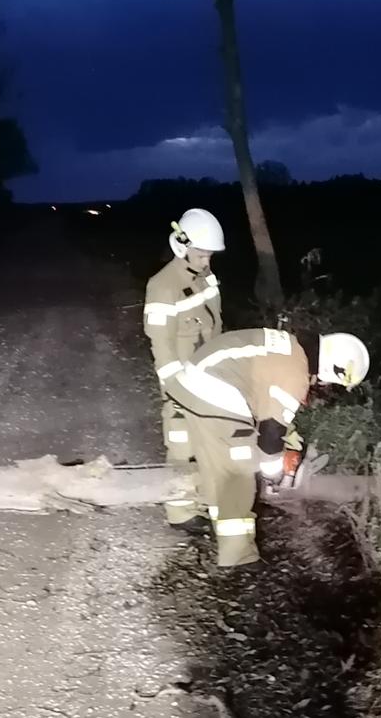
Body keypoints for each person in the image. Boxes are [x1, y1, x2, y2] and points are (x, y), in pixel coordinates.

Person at [164, 327, 370, 567]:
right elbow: (271, 434)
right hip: (215, 392)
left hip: (189, 380)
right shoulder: (296, 373)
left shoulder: (291, 348)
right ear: (330, 369)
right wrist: (273, 474)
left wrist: (290, 443)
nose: (321, 385)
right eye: (326, 382)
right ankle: (238, 557)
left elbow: (266, 404)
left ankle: (182, 512)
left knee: (197, 455)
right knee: (237, 473)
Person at [143, 208, 225, 530]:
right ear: (182, 245)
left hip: (207, 374)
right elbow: (159, 342)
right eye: (202, 254)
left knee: (207, 442)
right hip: (180, 379)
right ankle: (180, 513)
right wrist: (174, 386)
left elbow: (215, 325)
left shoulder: (205, 277)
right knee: (180, 444)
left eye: (209, 256)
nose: (206, 261)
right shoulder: (162, 286)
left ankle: (202, 500)